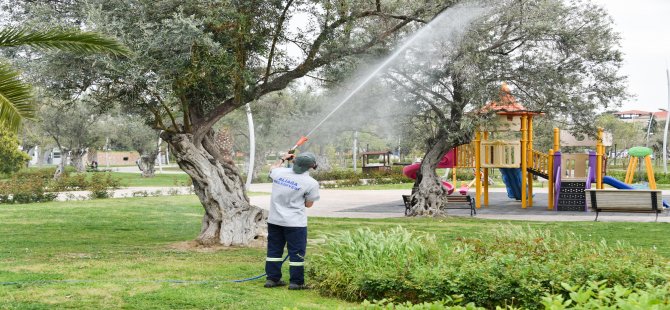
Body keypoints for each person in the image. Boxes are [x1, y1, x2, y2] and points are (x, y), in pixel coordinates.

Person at [264, 152, 320, 290]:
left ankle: (272, 279)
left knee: (274, 250)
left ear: (294, 162)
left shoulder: (279, 173)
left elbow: (272, 168)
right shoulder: (311, 183)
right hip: (295, 223)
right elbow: (308, 204)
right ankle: (296, 282)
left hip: (275, 220)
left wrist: (283, 158)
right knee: (297, 252)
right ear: (311, 167)